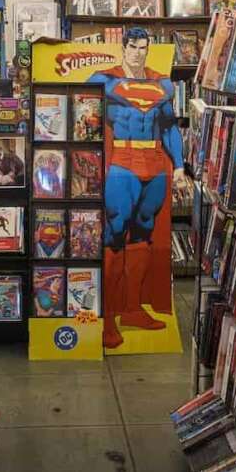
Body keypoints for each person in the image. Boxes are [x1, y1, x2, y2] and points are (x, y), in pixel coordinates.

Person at [88, 27, 186, 348]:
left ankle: (131, 309)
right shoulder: (103, 79)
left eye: (143, 48)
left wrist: (181, 166)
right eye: (133, 46)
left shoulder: (161, 83)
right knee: (114, 232)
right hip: (123, 161)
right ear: (123, 47)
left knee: (144, 230)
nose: (138, 53)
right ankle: (107, 318)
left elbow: (169, 126)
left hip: (156, 161)